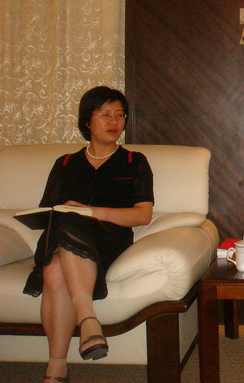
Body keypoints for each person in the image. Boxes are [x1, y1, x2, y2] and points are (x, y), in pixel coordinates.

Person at [23, 87, 154, 383]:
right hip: (60, 238)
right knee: (63, 237)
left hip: (108, 240)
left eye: (120, 115)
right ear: (87, 121)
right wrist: (69, 212)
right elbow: (49, 212)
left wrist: (91, 212)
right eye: (105, 114)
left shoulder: (134, 161)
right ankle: (85, 325)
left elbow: (142, 215)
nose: (114, 121)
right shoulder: (65, 163)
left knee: (56, 265)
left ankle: (58, 365)